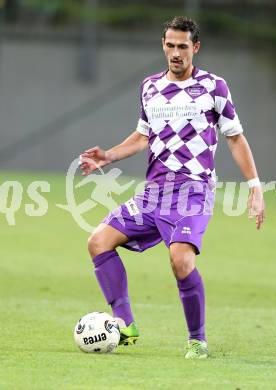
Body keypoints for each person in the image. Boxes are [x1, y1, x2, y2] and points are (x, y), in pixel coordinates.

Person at [79, 16, 265, 359]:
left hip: (193, 191)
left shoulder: (213, 86)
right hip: (154, 192)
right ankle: (124, 324)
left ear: (195, 48)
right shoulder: (149, 86)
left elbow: (235, 138)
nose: (176, 53)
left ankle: (197, 340)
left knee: (180, 260)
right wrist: (108, 157)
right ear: (163, 45)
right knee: (98, 242)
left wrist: (254, 185)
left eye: (183, 46)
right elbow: (141, 137)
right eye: (170, 45)